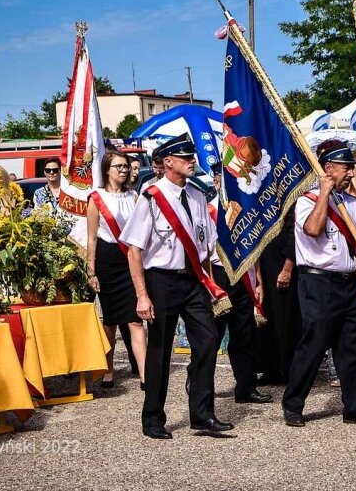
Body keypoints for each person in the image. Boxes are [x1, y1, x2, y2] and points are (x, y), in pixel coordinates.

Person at [120, 133, 231, 439]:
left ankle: (202, 414)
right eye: (185, 157)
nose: (191, 161)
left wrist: (209, 284)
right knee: (159, 352)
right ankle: (153, 418)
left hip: (193, 281)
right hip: (162, 281)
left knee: (208, 341)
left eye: (191, 156)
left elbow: (205, 247)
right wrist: (142, 295)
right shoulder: (152, 197)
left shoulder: (196, 195)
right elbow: (135, 250)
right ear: (168, 162)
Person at [282, 139, 356, 428]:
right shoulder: (306, 201)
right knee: (314, 344)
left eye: (352, 167)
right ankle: (294, 404)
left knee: (353, 346)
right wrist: (324, 193)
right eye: (346, 168)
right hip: (318, 282)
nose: (351, 173)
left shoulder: (352, 204)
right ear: (328, 169)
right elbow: (313, 229)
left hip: (348, 281)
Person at [207, 161, 272, 404]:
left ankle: (246, 387)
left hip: (243, 275)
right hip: (219, 274)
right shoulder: (208, 210)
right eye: (222, 178)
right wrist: (211, 286)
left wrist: (259, 283)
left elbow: (254, 249)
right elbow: (202, 253)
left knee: (244, 334)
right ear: (215, 181)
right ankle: (200, 380)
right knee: (212, 335)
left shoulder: (245, 208)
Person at [86, 149, 146, 389]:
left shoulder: (134, 197)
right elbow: (91, 238)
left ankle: (145, 375)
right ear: (106, 170)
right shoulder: (96, 198)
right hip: (107, 260)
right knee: (109, 320)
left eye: (125, 167)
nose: (123, 171)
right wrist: (91, 271)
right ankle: (108, 369)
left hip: (130, 259)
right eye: (118, 167)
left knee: (136, 320)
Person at [255, 206, 301, 385]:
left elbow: (294, 235)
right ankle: (270, 368)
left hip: (282, 265)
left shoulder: (289, 200)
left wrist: (288, 268)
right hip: (264, 265)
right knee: (267, 318)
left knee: (286, 319)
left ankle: (289, 370)